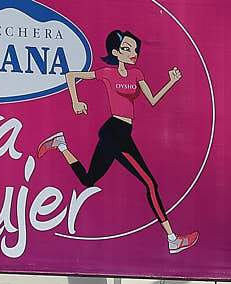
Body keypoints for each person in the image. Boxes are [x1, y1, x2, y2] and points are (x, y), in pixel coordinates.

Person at [41, 29, 199, 255]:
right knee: (150, 184)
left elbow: (153, 100)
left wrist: (171, 82)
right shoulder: (107, 73)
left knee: (88, 180)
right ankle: (172, 239)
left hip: (122, 132)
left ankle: (61, 145)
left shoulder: (137, 74)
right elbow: (71, 76)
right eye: (126, 49)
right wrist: (76, 101)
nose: (132, 53)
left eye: (134, 49)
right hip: (115, 132)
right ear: (116, 52)